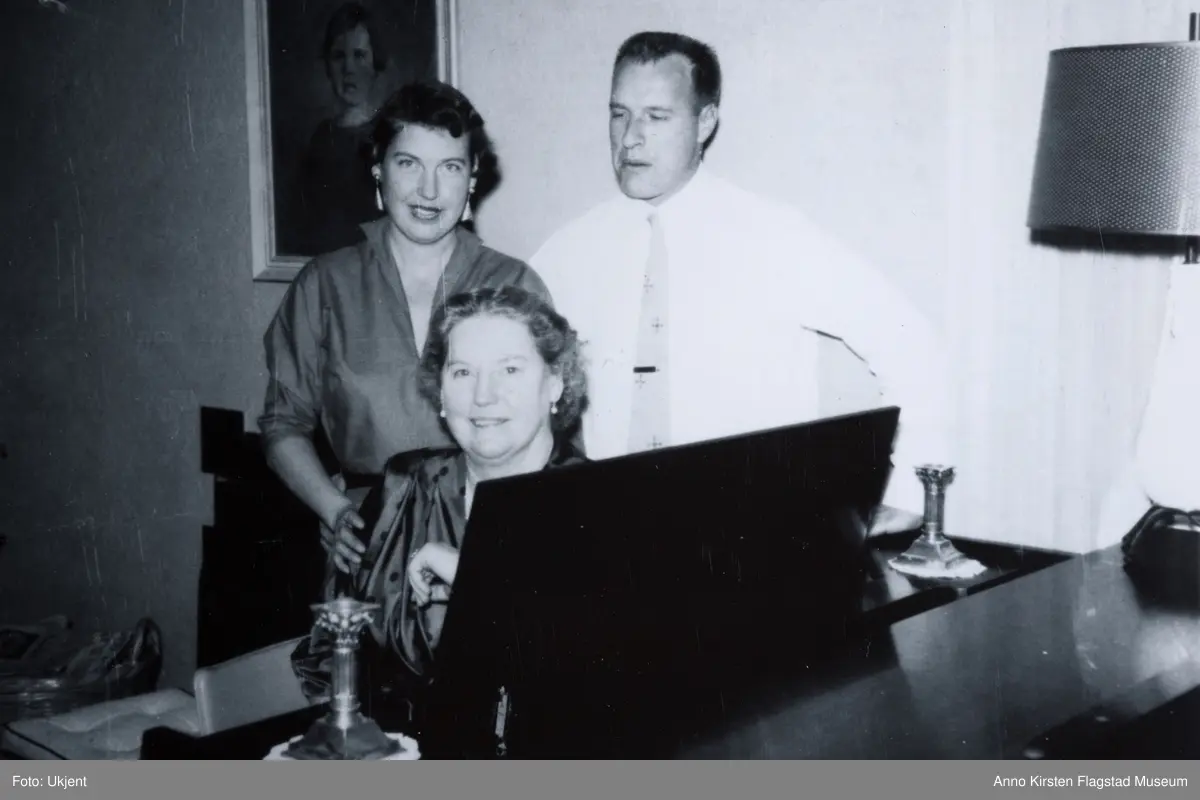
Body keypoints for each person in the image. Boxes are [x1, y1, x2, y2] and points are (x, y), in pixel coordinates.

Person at [530, 31, 954, 528]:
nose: (629, 138)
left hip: (749, 525)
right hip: (612, 526)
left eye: (656, 117)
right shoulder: (568, 251)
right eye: (619, 113)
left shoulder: (773, 235)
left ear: (705, 122)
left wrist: (905, 494)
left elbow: (911, 343)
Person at [259, 81, 551, 575]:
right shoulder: (324, 284)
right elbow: (282, 425)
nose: (429, 191)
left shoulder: (513, 282)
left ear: (472, 177)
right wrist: (334, 511)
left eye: (450, 167)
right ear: (378, 168)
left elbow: (550, 431)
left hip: (489, 533)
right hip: (369, 543)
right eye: (408, 163)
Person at [290, 286, 589, 702]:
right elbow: (330, 653)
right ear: (442, 394)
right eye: (463, 372)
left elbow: (581, 683)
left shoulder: (595, 508)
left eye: (510, 370)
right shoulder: (404, 484)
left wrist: (474, 576)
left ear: (555, 384)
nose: (483, 396)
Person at [291, 2, 388, 255]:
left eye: (359, 55)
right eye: (338, 56)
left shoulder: (389, 133)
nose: (348, 69)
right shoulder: (321, 138)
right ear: (327, 66)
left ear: (376, 62)